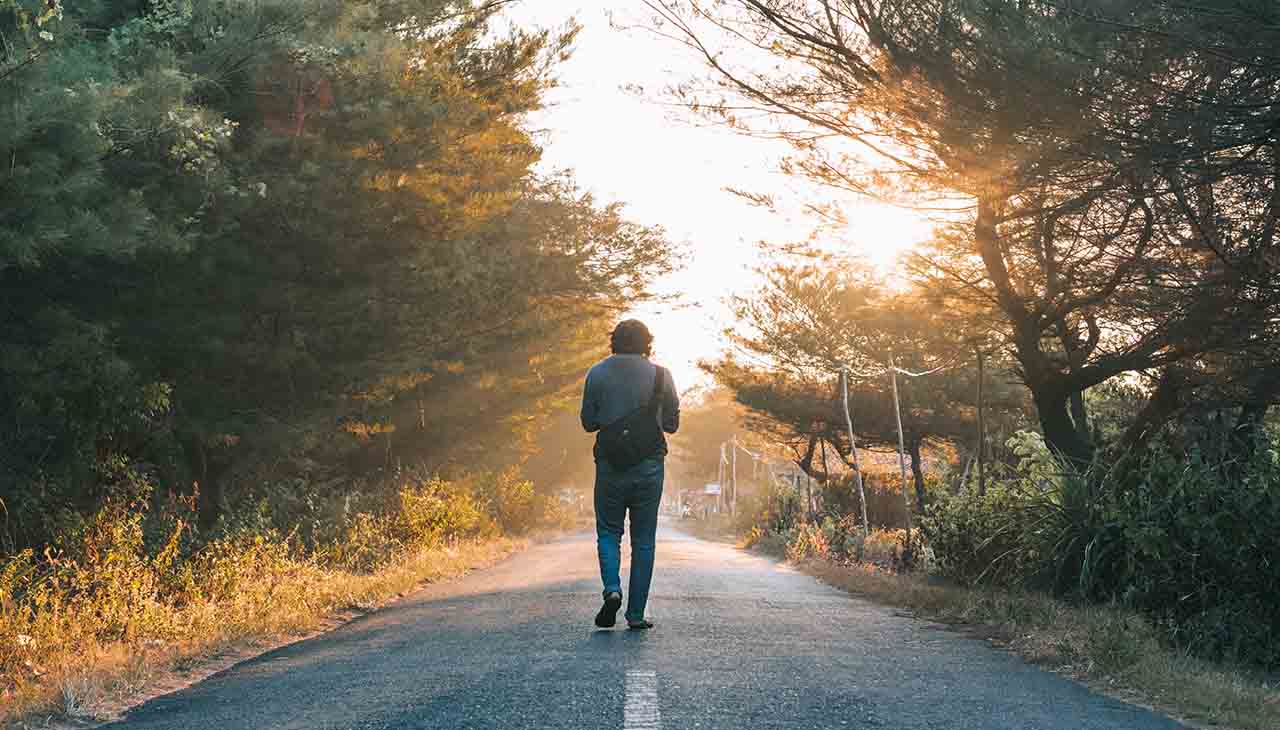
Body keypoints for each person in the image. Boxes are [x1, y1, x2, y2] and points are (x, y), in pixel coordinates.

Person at [580, 319, 680, 630]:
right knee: (644, 540)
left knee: (609, 532)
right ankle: (635, 614)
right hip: (649, 466)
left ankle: (612, 588)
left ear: (614, 341)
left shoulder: (596, 373)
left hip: (610, 465)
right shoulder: (662, 375)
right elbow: (672, 425)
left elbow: (588, 423)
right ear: (647, 343)